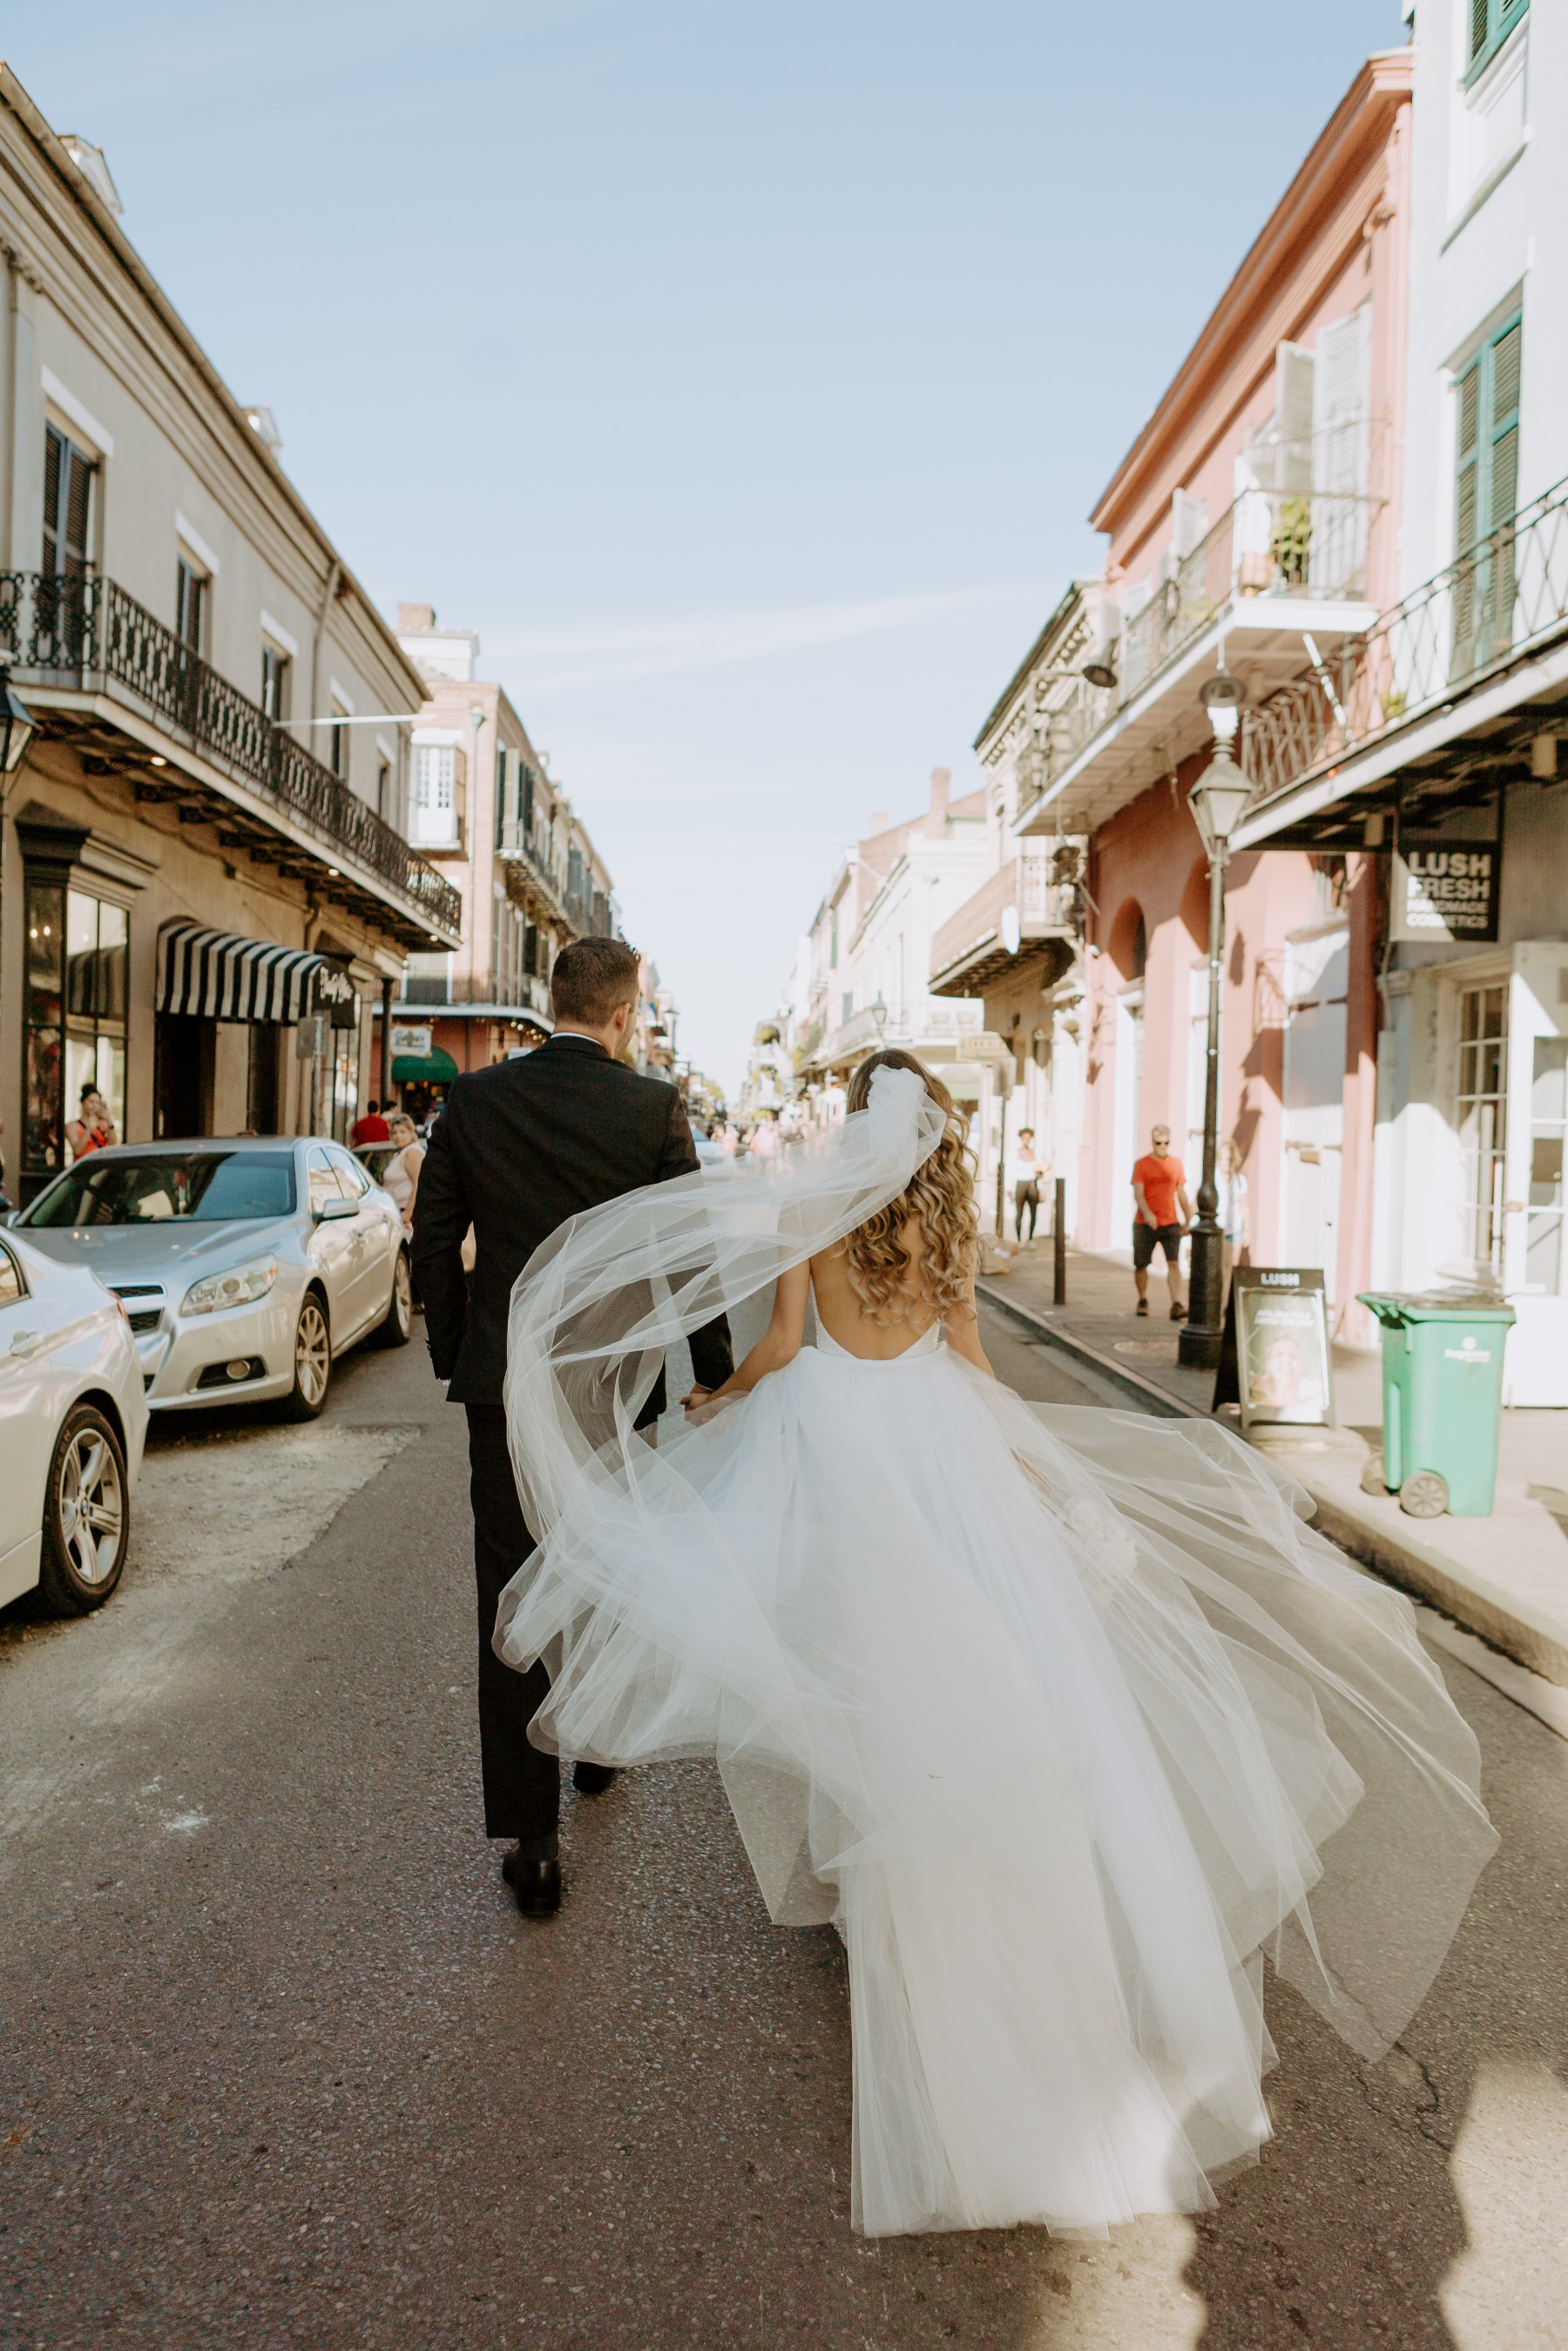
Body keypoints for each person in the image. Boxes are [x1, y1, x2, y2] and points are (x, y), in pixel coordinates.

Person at [494, 1051, 1494, 2237]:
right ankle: (1008, 1946)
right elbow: (972, 1367)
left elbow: (777, 1350)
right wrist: (1039, 1471)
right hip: (939, 1448)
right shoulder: (947, 1222)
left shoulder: (816, 1213)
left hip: (841, 1451)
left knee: (872, 1679)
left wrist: (720, 1401)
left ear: (854, 1126)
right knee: (990, 1676)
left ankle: (897, 1900)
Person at [412, 936, 733, 1919]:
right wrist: (712, 1372)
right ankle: (594, 1749)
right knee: (602, 1564)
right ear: (625, 1013)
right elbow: (688, 1254)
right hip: (611, 1387)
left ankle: (535, 1840)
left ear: (550, 1001)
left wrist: (463, 1352)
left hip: (506, 1388)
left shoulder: (474, 1101)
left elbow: (431, 1240)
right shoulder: (651, 1108)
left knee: (510, 1592)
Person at [1132, 1124, 1191, 1321]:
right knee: (1141, 1264)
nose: (1163, 1146)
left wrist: (1188, 1218)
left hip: (1170, 1222)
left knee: (1173, 1263)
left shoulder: (1175, 1164)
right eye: (1159, 1143)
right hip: (1144, 1223)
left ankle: (1176, 1303)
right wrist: (1148, 1214)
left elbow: (1181, 1193)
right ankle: (1143, 1298)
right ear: (1153, 1142)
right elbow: (1139, 1194)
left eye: (1166, 1143)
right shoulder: (1141, 1164)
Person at [381, 1111, 425, 1231]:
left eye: (402, 1132)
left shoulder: (412, 1152)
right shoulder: (401, 1152)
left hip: (407, 1215)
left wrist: (407, 1213)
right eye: (394, 1132)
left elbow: (419, 1184)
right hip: (395, 1211)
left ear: (411, 1133)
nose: (398, 1136)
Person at [1217, 1137, 1249, 1280]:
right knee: (1217, 1265)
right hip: (1218, 1229)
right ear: (1219, 1159)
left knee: (1230, 1266)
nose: (1228, 1163)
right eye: (1225, 1159)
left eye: (1231, 1159)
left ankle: (1225, 1300)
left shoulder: (1240, 1181)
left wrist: (1247, 1230)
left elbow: (1244, 1206)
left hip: (1234, 1230)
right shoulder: (1212, 1179)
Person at [1007, 1126, 1046, 1244]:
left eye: (1028, 1138)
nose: (1026, 1140)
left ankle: (1030, 1238)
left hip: (1032, 1184)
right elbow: (1010, 1170)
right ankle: (1018, 1238)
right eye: (1024, 1138)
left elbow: (1040, 1169)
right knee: (1019, 1212)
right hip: (1020, 1184)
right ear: (1021, 1138)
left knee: (1033, 1212)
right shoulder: (1015, 1153)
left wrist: (1041, 1184)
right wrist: (1009, 1188)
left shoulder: (1036, 1153)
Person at [67, 1085, 116, 1160]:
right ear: (82, 1102)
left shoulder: (103, 1123)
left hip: (101, 1165)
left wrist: (109, 1121)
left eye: (97, 1103)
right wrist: (88, 1130)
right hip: (84, 1167)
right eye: (91, 1102)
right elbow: (77, 1151)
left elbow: (113, 1144)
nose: (94, 1106)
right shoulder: (72, 1126)